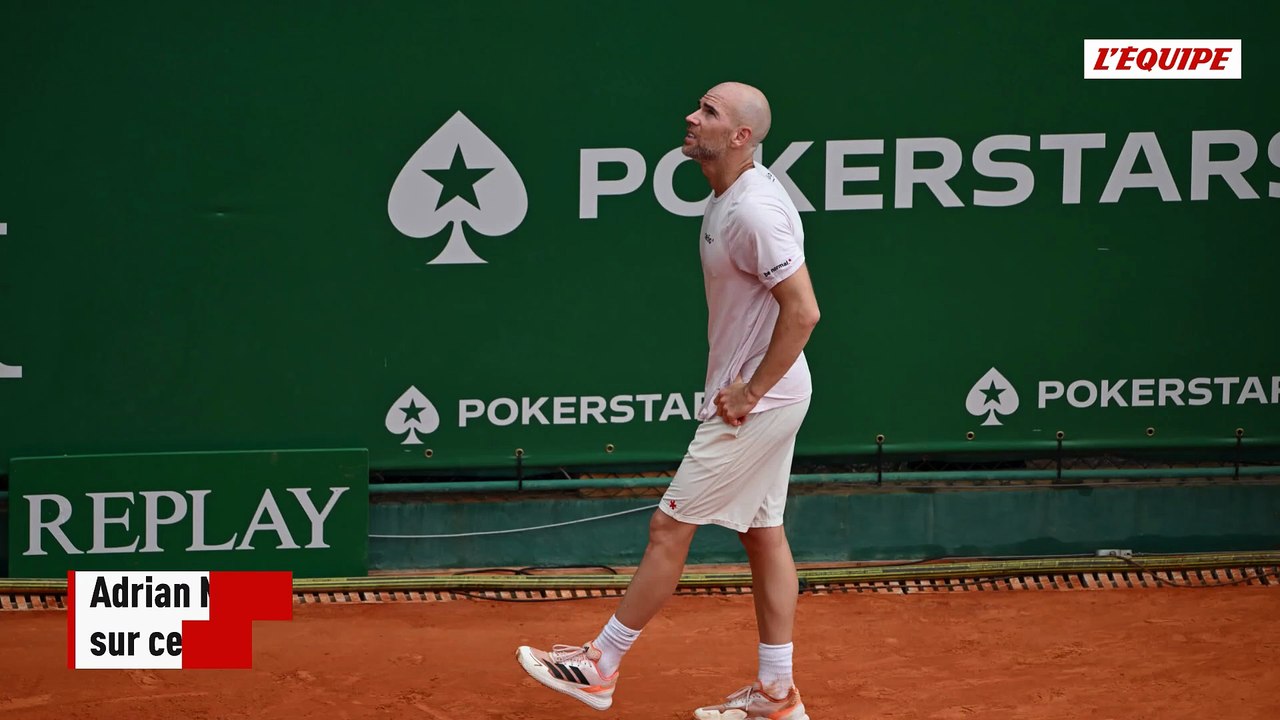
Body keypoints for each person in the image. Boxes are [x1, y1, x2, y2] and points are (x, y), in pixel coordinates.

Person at [516, 81, 819, 720]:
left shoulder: (752, 212)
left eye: (709, 111)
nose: (692, 115)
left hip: (758, 403)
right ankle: (775, 694)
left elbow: (804, 311)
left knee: (668, 526)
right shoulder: (726, 199)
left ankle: (599, 667)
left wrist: (750, 389)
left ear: (741, 136)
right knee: (764, 535)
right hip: (773, 396)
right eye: (698, 105)